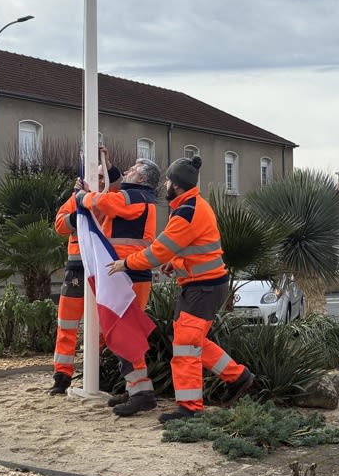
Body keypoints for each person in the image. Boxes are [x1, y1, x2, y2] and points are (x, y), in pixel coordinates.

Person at [108, 155, 254, 424]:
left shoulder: (186, 211)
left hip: (203, 288)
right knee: (192, 342)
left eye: (168, 180)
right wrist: (176, 264)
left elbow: (158, 251)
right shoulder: (190, 205)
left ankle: (190, 408)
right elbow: (189, 247)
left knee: (186, 345)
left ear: (176, 184)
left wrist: (125, 263)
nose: (165, 184)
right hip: (203, 286)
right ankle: (238, 377)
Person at [78, 147, 160, 416]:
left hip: (128, 275)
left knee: (126, 335)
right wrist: (109, 168)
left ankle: (141, 393)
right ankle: (135, 388)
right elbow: (114, 195)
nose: (127, 172)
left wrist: (82, 197)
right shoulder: (141, 196)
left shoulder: (136, 196)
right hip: (126, 273)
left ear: (142, 179)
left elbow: (107, 202)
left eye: (133, 170)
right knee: (126, 333)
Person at [49, 160, 122, 396]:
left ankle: (96, 370)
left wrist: (108, 168)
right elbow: (59, 225)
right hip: (77, 269)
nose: (100, 180)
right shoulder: (76, 198)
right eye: (96, 176)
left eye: (103, 176)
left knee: (101, 325)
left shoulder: (113, 196)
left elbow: (116, 188)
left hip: (103, 270)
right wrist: (78, 211)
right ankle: (62, 376)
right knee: (67, 323)